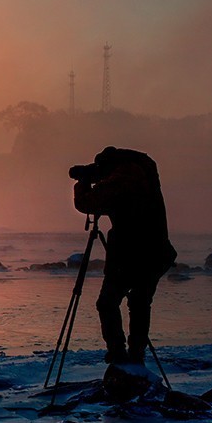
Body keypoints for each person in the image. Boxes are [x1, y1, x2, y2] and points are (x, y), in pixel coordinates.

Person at [72, 146, 176, 366]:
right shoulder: (141, 172)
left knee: (107, 303)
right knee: (140, 302)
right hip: (157, 252)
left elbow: (87, 203)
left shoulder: (122, 179)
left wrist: (82, 184)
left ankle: (118, 356)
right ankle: (136, 356)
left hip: (132, 254)